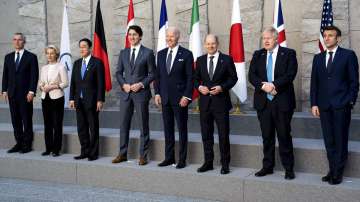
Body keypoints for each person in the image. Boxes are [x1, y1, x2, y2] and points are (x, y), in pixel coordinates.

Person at [310, 25, 359, 185]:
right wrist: (314, 103)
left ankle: (338, 172)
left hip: (341, 105)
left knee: (340, 139)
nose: (327, 38)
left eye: (331, 36)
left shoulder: (348, 55)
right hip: (323, 106)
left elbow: (354, 81)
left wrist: (350, 100)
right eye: (325, 35)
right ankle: (332, 169)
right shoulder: (318, 58)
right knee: (329, 140)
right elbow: (314, 83)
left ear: (338, 38)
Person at [248, 27, 298, 180]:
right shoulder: (258, 54)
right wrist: (264, 87)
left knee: (284, 135)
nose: (266, 41)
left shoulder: (289, 53)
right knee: (267, 136)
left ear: (276, 39)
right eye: (264, 38)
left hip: (282, 101)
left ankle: (288, 168)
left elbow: (290, 74)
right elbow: (252, 75)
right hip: (264, 103)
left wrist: (274, 85)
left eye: (269, 38)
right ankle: (267, 166)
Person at [194, 34, 238, 175]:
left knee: (223, 135)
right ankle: (208, 162)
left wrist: (222, 87)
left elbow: (233, 78)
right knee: (206, 134)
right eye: (208, 44)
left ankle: (225, 164)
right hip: (205, 103)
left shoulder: (226, 59)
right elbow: (195, 79)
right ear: (204, 45)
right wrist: (200, 88)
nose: (210, 46)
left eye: (213, 43)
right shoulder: (200, 60)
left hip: (221, 103)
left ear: (217, 44)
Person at [112, 25, 155, 166]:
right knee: (123, 125)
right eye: (130, 34)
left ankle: (143, 155)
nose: (132, 37)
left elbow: (152, 74)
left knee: (143, 125)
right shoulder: (123, 52)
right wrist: (123, 84)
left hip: (141, 94)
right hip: (126, 94)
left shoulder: (148, 53)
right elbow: (118, 73)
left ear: (140, 36)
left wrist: (141, 84)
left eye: (135, 34)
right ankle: (122, 154)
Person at [154, 26, 193, 169]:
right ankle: (169, 158)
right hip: (165, 98)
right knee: (167, 129)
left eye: (172, 36)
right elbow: (157, 76)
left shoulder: (187, 54)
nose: (169, 39)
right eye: (167, 36)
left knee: (182, 130)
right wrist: (157, 93)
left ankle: (182, 159)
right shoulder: (161, 54)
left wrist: (187, 96)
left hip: (180, 99)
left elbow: (191, 78)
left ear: (178, 37)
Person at [2, 32, 39, 154]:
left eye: (20, 40)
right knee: (15, 120)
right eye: (15, 39)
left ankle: (27, 145)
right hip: (12, 94)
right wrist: (4, 90)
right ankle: (18, 143)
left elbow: (34, 76)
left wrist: (32, 91)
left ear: (24, 41)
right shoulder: (8, 57)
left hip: (25, 94)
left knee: (26, 119)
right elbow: (5, 76)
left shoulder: (31, 57)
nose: (17, 42)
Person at [69, 38, 105, 161]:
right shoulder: (77, 63)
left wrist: (100, 100)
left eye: (84, 46)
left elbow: (101, 83)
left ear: (90, 48)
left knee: (93, 128)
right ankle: (84, 151)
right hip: (78, 100)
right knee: (81, 128)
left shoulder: (97, 63)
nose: (82, 49)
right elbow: (73, 82)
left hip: (92, 101)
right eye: (80, 47)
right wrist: (71, 98)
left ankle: (93, 153)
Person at [39, 45, 68, 157]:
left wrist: (53, 87)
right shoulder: (44, 68)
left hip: (57, 98)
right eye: (48, 53)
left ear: (56, 54)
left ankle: (56, 149)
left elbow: (65, 83)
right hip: (45, 97)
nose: (49, 55)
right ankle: (48, 148)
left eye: (52, 53)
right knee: (47, 124)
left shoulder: (61, 67)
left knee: (57, 124)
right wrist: (42, 87)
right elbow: (41, 82)